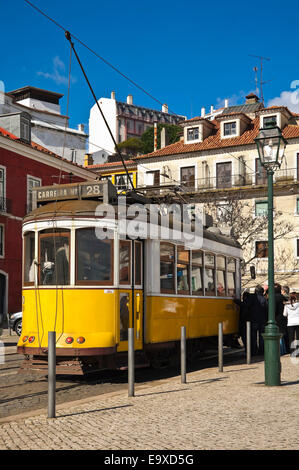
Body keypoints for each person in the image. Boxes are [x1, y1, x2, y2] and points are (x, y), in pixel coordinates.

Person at [244, 285, 268, 356]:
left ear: (255, 291)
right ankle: (261, 351)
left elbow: (246, 305)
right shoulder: (264, 299)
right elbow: (267, 309)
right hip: (262, 320)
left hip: (254, 320)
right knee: (262, 337)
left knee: (253, 337)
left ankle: (254, 351)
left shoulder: (252, 298)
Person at [274, 283, 289, 354]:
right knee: (285, 334)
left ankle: (281, 350)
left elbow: (274, 309)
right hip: (284, 318)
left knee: (279, 335)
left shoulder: (274, 298)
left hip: (277, 318)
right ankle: (287, 349)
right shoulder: (284, 298)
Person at [283, 292, 299, 356]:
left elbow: (284, 314)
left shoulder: (286, 305)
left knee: (291, 338)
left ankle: (292, 352)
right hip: (298, 322)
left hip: (290, 323)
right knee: (298, 338)